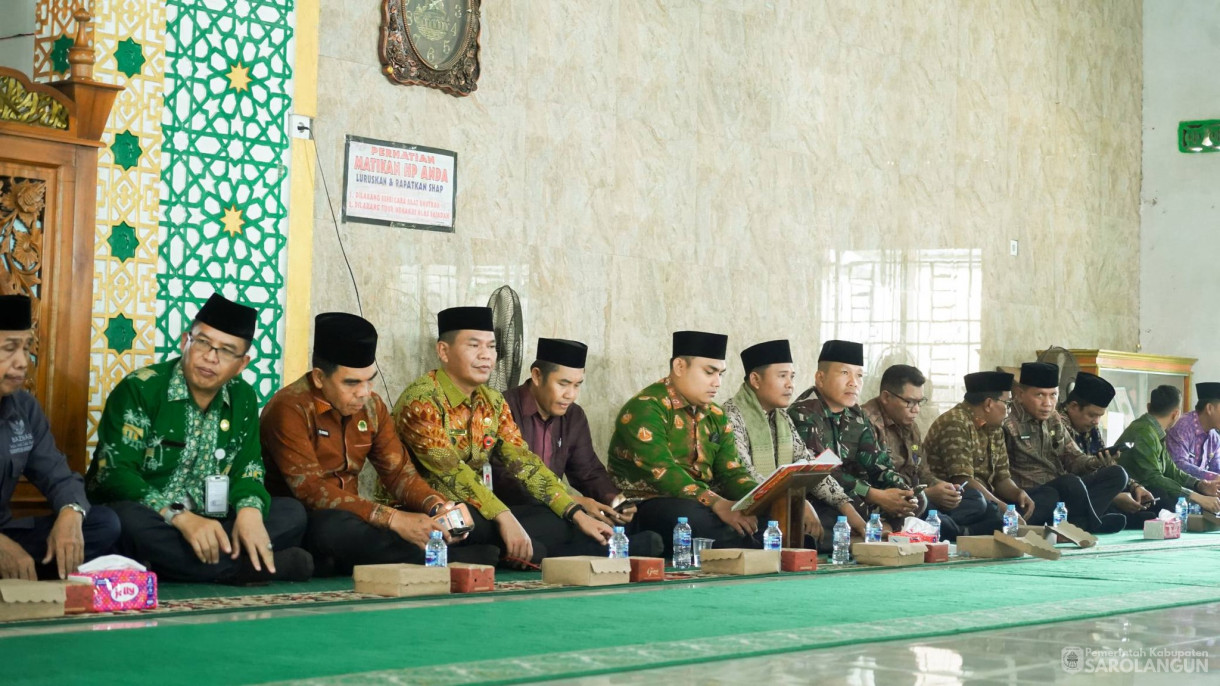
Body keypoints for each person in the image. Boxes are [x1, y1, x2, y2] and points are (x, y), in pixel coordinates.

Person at [86, 293, 312, 583]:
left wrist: (249, 513)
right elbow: (114, 474)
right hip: (155, 518)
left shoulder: (243, 398)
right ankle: (240, 568)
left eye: (226, 351)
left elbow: (249, 468)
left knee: (292, 513)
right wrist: (180, 517)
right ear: (185, 342)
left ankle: (183, 565)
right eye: (202, 342)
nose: (210, 357)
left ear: (242, 364)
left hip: (214, 521)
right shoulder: (141, 389)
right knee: (122, 521)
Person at [261, 313, 500, 574]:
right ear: (319, 378)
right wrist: (393, 519)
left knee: (474, 519)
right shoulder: (290, 408)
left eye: (369, 379)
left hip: (358, 515)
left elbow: (399, 473)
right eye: (352, 383)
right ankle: (438, 558)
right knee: (332, 529)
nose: (364, 392)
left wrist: (436, 506)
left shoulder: (372, 407)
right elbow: (311, 490)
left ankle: (429, 549)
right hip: (309, 520)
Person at [393, 307, 612, 566]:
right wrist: (504, 517)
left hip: (478, 513)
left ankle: (501, 552)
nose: (486, 356)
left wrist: (576, 513)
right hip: (425, 513)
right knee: (478, 523)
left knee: (556, 518)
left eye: (491, 346)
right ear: (444, 351)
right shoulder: (422, 400)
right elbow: (452, 472)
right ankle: (512, 551)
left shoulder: (493, 402)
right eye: (474, 345)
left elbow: (526, 464)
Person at [503, 337, 662, 556]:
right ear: (537, 376)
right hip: (518, 512)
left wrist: (615, 502)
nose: (571, 394)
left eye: (577, 385)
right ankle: (610, 548)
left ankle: (593, 545)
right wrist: (574, 504)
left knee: (613, 518)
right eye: (563, 384)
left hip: (563, 510)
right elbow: (509, 480)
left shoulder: (573, 415)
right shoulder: (504, 408)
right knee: (560, 523)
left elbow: (587, 471)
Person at [608, 331, 760, 555]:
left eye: (721, 374)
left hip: (703, 501)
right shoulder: (647, 408)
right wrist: (717, 504)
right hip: (647, 504)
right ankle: (752, 551)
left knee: (763, 517)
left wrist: (763, 499)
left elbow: (731, 472)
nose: (717, 383)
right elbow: (664, 473)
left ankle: (749, 547)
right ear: (680, 367)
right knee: (693, 519)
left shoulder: (716, 415)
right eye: (709, 372)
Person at [0, 295, 119, 580]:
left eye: (27, 348)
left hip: (7, 534)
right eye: (9, 349)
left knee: (104, 524)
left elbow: (59, 476)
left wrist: (71, 511)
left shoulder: (24, 408)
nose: (22, 363)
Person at [722, 339, 866, 548]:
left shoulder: (781, 417)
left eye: (792, 377)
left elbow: (808, 464)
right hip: (744, 506)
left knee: (835, 519)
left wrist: (847, 509)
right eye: (782, 376)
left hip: (779, 505)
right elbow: (744, 472)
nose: (790, 384)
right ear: (755, 379)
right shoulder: (730, 415)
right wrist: (795, 502)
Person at [788, 340, 916, 530]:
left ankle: (882, 526)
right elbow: (823, 473)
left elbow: (878, 463)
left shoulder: (857, 415)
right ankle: (878, 529)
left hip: (860, 497)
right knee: (829, 518)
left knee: (918, 502)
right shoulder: (803, 413)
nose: (853, 383)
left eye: (859, 375)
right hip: (825, 498)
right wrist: (875, 495)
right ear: (820, 378)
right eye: (844, 373)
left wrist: (904, 493)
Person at [860, 364, 993, 540]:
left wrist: (942, 487)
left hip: (920, 501)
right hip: (891, 504)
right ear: (886, 397)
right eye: (910, 402)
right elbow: (874, 482)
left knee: (975, 499)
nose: (916, 409)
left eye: (920, 402)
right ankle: (957, 531)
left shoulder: (910, 426)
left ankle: (944, 527)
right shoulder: (867, 423)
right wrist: (927, 494)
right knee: (984, 518)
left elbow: (922, 471)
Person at [1002, 363, 1128, 533]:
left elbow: (1074, 457)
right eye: (1040, 395)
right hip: (1031, 497)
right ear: (1020, 394)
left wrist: (1095, 462)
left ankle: (1082, 524)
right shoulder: (1006, 423)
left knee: (1117, 474)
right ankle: (1091, 523)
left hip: (1063, 493)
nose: (1047, 403)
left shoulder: (1053, 418)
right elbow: (1000, 474)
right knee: (1068, 484)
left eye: (1053, 395)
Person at [923, 371, 1028, 530]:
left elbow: (1001, 477)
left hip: (986, 498)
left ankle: (972, 529)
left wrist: (1017, 493)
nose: (1009, 410)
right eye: (1007, 404)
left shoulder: (995, 427)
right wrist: (1001, 506)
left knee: (1042, 497)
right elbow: (962, 481)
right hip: (956, 500)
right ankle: (959, 531)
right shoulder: (956, 422)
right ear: (988, 404)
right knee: (981, 503)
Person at [1059, 372, 1156, 527]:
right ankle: (1092, 520)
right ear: (1073, 407)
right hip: (1069, 492)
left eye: (1100, 416)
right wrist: (1114, 496)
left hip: (1092, 489)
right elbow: (1063, 475)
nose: (1096, 422)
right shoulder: (1057, 425)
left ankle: (1103, 517)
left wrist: (1135, 487)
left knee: (1130, 481)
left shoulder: (1091, 428)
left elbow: (1107, 463)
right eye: (1092, 415)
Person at [1116, 385, 1220, 513]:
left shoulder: (1154, 431)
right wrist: (1197, 497)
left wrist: (1199, 484)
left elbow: (1172, 470)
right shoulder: (1144, 432)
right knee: (1165, 497)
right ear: (1176, 414)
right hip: (1128, 494)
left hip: (1147, 490)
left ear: (1148, 407)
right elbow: (1153, 478)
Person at [1166, 382, 1220, 482]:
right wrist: (1211, 476)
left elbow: (1217, 469)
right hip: (1176, 491)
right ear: (1209, 408)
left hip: (1200, 492)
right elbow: (1178, 465)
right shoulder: (1182, 427)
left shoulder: (1214, 437)